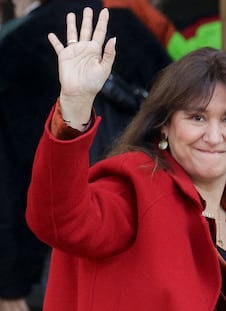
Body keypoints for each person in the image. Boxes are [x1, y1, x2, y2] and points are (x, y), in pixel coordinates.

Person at [26, 7, 226, 311]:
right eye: (198, 118)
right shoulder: (137, 189)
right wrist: (74, 107)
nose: (214, 136)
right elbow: (60, 219)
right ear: (165, 124)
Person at [0, 1, 171, 310]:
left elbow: (5, 176)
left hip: (49, 254)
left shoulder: (14, 45)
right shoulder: (130, 27)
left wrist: (9, 281)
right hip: (145, 235)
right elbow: (177, 125)